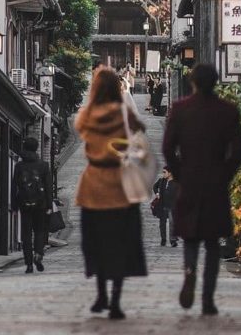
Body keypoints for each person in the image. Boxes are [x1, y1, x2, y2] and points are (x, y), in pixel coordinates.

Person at [162, 63, 241, 316]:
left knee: (190, 237)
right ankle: (208, 299)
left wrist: (179, 173)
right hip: (216, 182)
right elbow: (238, 150)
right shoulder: (227, 111)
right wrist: (226, 174)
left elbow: (167, 148)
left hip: (189, 180)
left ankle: (189, 271)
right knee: (212, 242)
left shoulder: (180, 109)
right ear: (216, 82)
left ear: (193, 82)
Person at [75, 66, 148, 320]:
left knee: (96, 242)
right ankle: (115, 301)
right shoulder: (124, 114)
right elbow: (139, 133)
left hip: (93, 184)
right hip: (119, 184)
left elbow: (79, 128)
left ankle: (100, 296)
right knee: (120, 243)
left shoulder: (87, 115)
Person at [11, 136, 52, 274]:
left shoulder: (19, 166)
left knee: (26, 234)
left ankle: (28, 264)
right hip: (40, 204)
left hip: (24, 203)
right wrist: (49, 205)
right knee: (39, 231)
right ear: (36, 148)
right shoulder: (44, 165)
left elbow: (14, 186)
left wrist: (14, 206)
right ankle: (38, 254)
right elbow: (48, 187)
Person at [152, 167, 178, 246]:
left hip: (172, 206)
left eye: (164, 172)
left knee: (172, 223)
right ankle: (163, 239)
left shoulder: (176, 182)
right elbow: (154, 186)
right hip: (162, 205)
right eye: (163, 172)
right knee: (162, 224)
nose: (163, 174)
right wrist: (157, 193)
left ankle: (173, 240)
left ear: (170, 173)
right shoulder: (161, 180)